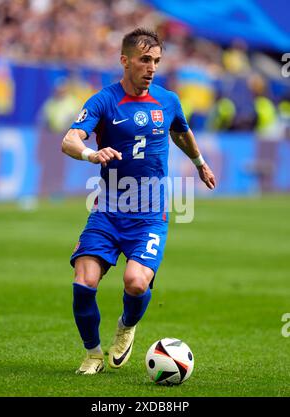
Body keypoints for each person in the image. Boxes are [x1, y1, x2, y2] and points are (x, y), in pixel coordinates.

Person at [62, 28, 216, 375]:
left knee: (135, 282)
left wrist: (199, 162)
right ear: (125, 61)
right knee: (82, 282)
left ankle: (127, 325)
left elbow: (181, 130)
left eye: (157, 61)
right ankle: (92, 353)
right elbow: (69, 140)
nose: (152, 68)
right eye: (145, 60)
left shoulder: (168, 100)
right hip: (108, 211)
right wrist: (91, 153)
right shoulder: (103, 100)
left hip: (149, 215)